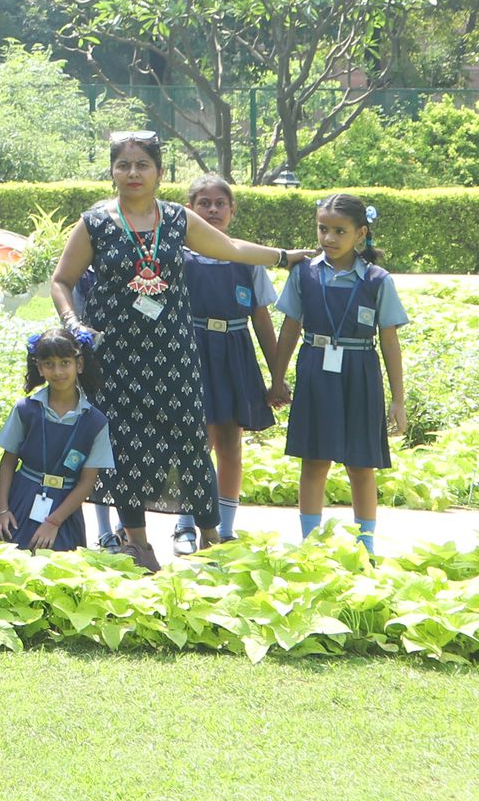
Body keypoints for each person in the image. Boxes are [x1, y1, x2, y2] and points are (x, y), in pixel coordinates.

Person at [49, 130, 310, 568]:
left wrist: (283, 257)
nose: (133, 173)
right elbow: (62, 280)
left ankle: (211, 539)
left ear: (160, 172)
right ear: (112, 171)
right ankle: (138, 544)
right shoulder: (94, 222)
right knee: (124, 445)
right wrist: (73, 324)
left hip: (173, 351)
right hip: (114, 355)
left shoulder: (176, 219)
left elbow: (231, 248)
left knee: (190, 441)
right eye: (123, 165)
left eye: (142, 165)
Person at [268, 192, 407, 552]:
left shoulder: (377, 280)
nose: (328, 238)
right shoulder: (304, 274)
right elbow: (289, 329)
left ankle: (366, 547)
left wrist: (398, 400)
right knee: (314, 461)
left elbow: (389, 341)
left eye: (339, 231)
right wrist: (277, 379)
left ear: (361, 233)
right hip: (315, 370)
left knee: (361, 464)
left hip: (361, 373)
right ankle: (309, 545)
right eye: (322, 229)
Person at [181, 172, 280, 549]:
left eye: (220, 203)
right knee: (196, 441)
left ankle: (225, 528)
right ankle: (186, 525)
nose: (212, 210)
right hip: (192, 352)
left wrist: (277, 376)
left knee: (229, 440)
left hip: (235, 353)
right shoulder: (179, 257)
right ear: (189, 210)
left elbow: (262, 318)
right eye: (204, 203)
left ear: (232, 210)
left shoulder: (247, 259)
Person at [0, 327, 114, 552]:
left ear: (79, 364)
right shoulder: (26, 410)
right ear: (39, 367)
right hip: (21, 500)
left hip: (64, 510)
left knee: (61, 564)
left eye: (65, 363)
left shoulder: (95, 422)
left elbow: (87, 482)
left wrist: (54, 522)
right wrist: (1, 510)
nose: (57, 371)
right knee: (12, 558)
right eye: (49, 364)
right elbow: (8, 461)